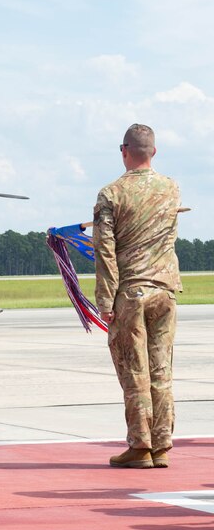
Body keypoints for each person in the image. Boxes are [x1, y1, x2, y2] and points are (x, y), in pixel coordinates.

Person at [93, 124, 182, 469]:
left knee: (135, 370)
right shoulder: (172, 189)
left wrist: (105, 300)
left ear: (124, 150)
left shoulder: (112, 193)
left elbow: (105, 250)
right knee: (161, 369)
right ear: (154, 152)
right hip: (165, 291)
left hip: (131, 292)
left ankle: (140, 446)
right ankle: (162, 443)